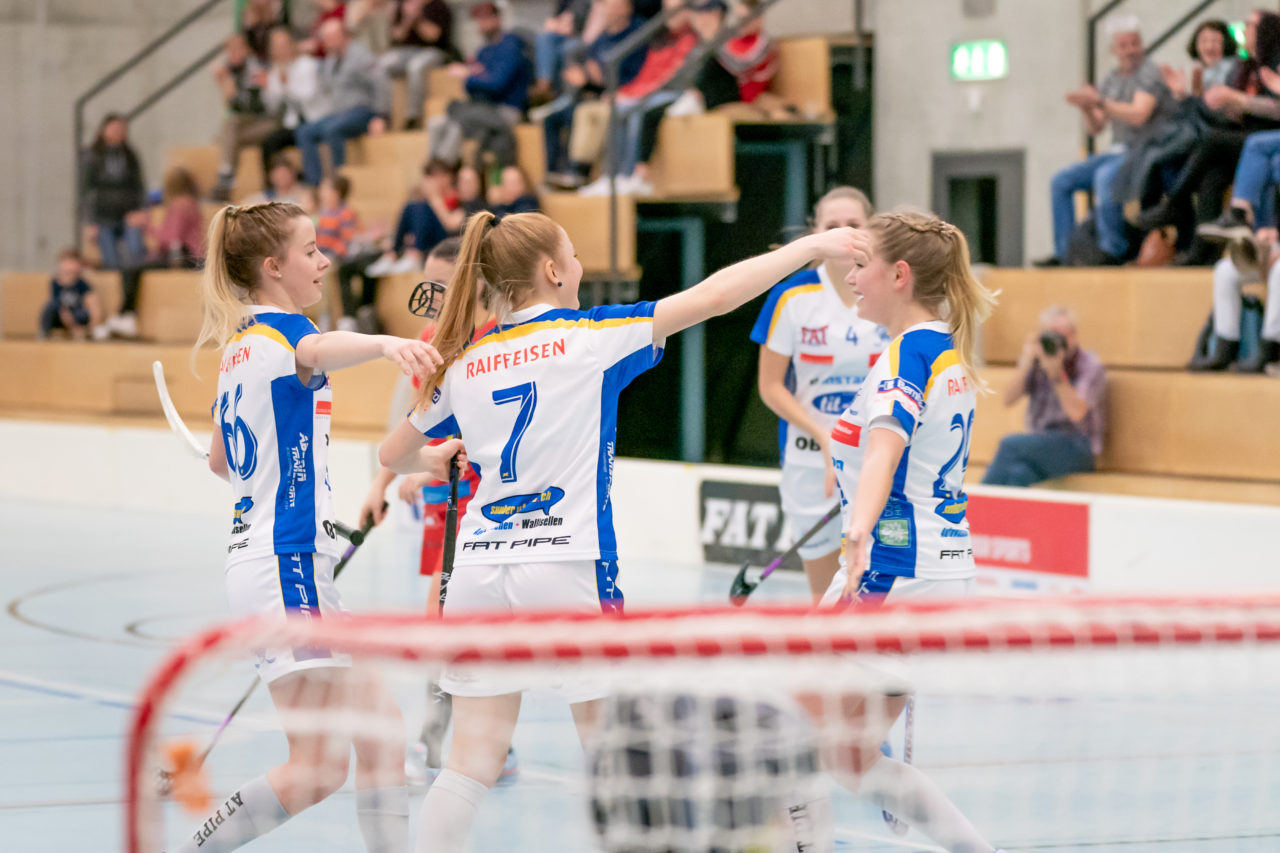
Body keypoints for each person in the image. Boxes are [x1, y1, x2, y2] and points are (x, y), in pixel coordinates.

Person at [377, 208, 859, 853]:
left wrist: (433, 457)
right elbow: (714, 296)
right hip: (567, 568)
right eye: (572, 256)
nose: (578, 267)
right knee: (619, 757)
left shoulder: (468, 361)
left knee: (468, 764)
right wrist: (814, 246)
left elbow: (391, 454)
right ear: (552, 271)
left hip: (479, 575)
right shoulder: (594, 335)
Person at [173, 199, 457, 853]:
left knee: (348, 749)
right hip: (287, 562)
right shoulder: (284, 335)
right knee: (343, 752)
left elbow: (223, 461)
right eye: (310, 250)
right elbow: (318, 346)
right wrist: (388, 343)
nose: (324, 259)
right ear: (273, 266)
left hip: (265, 561)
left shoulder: (237, 348)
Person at [812, 210, 1002, 853]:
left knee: (784, 730)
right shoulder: (938, 348)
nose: (850, 275)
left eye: (861, 264)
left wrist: (858, 530)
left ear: (898, 275)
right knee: (849, 757)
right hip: (935, 572)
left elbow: (883, 452)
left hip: (891, 569)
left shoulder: (908, 351)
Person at [357, 238, 518, 787]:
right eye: (426, 282)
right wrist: (383, 482)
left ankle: (458, 738)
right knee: (443, 616)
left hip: (489, 495)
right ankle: (446, 739)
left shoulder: (504, 339)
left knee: (461, 617)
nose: (431, 296)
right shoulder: (429, 340)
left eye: (443, 284)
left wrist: (421, 470)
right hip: (443, 490)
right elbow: (416, 419)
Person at [750, 187, 887, 602]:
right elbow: (770, 386)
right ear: (816, 232)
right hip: (810, 464)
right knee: (826, 595)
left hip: (877, 461)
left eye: (854, 225)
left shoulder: (893, 291)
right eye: (832, 226)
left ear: (872, 229)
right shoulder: (791, 297)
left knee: (873, 591)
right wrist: (826, 436)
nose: (844, 234)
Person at [1042, 17, 1175, 266]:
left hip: (1146, 149)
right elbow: (1097, 127)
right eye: (1124, 46)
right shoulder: (1111, 79)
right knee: (1060, 181)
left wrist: (1099, 102)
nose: (1130, 50)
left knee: (1105, 177)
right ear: (1114, 50)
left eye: (1134, 44)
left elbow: (1139, 114)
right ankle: (1064, 253)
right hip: (1116, 150)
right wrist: (1086, 108)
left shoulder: (1150, 72)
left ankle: (1112, 249)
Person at [982, 306, 1106, 487]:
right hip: (1042, 444)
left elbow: (1077, 413)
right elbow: (1008, 399)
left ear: (1075, 335)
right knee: (1019, 475)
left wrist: (1057, 374)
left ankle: (974, 506)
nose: (1061, 342)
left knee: (1010, 444)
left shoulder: (1089, 366)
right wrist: (1026, 361)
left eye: (1066, 335)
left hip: (1077, 448)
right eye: (1053, 336)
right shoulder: (1037, 363)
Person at [542, 0, 648, 189]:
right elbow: (591, 70)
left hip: (627, 94)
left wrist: (597, 78)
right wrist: (586, 78)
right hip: (600, 94)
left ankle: (580, 171)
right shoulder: (603, 38)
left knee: (587, 113)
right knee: (554, 117)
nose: (608, 9)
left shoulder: (637, 33)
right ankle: (555, 172)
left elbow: (631, 74)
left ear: (627, 7)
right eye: (606, 5)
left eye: (614, 4)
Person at [426, 2, 532, 170]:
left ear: (497, 19)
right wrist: (477, 76)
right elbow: (471, 89)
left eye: (486, 19)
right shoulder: (484, 50)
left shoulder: (510, 46)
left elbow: (497, 85)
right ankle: (432, 172)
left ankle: (443, 173)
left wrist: (470, 75)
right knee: (436, 123)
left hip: (506, 109)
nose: (482, 24)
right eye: (479, 20)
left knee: (457, 124)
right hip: (483, 107)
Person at [108, 167, 205, 338]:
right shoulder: (190, 203)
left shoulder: (180, 204)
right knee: (137, 264)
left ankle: (127, 314)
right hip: (191, 255)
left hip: (183, 256)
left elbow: (171, 237)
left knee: (131, 268)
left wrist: (146, 225)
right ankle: (126, 315)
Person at [294, 18, 387, 187]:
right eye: (325, 38)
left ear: (343, 36)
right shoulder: (331, 60)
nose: (327, 43)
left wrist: (381, 116)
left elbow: (380, 82)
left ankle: (339, 185)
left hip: (362, 111)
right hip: (340, 114)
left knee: (332, 130)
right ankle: (315, 185)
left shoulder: (360, 55)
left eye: (330, 37)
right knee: (304, 132)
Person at [1191, 228, 1280, 373]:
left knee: (1279, 271)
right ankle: (1225, 349)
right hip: (1264, 252)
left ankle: (1270, 351)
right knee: (1225, 270)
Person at [213, 32, 277, 201]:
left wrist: (226, 84)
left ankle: (226, 175)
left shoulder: (255, 69)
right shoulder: (230, 69)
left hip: (269, 121)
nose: (233, 54)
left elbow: (251, 107)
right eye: (230, 50)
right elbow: (235, 107)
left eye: (237, 48)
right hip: (246, 124)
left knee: (229, 132)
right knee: (230, 128)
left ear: (246, 49)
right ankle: (226, 176)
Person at [82, 113, 147, 271]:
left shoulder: (130, 155)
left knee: (136, 254)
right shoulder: (93, 156)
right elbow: (86, 190)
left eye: (120, 129)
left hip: (128, 214)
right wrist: (91, 222)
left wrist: (141, 211)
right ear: (103, 130)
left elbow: (139, 186)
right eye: (113, 128)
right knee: (110, 262)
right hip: (103, 217)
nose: (117, 132)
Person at [378, 0, 457, 130]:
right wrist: (407, 19)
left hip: (435, 51)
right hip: (408, 51)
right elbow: (396, 37)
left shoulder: (438, 6)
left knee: (416, 66)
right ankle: (383, 115)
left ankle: (413, 117)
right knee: (382, 63)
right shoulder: (403, 5)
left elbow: (433, 36)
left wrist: (418, 17)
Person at [39, 249, 104, 341]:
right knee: (49, 307)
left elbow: (93, 304)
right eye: (65, 272)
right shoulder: (55, 283)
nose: (68, 275)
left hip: (77, 315)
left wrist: (94, 324)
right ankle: (45, 334)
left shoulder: (82, 284)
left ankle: (81, 330)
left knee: (82, 314)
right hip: (61, 315)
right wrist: (65, 317)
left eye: (71, 272)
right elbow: (55, 302)